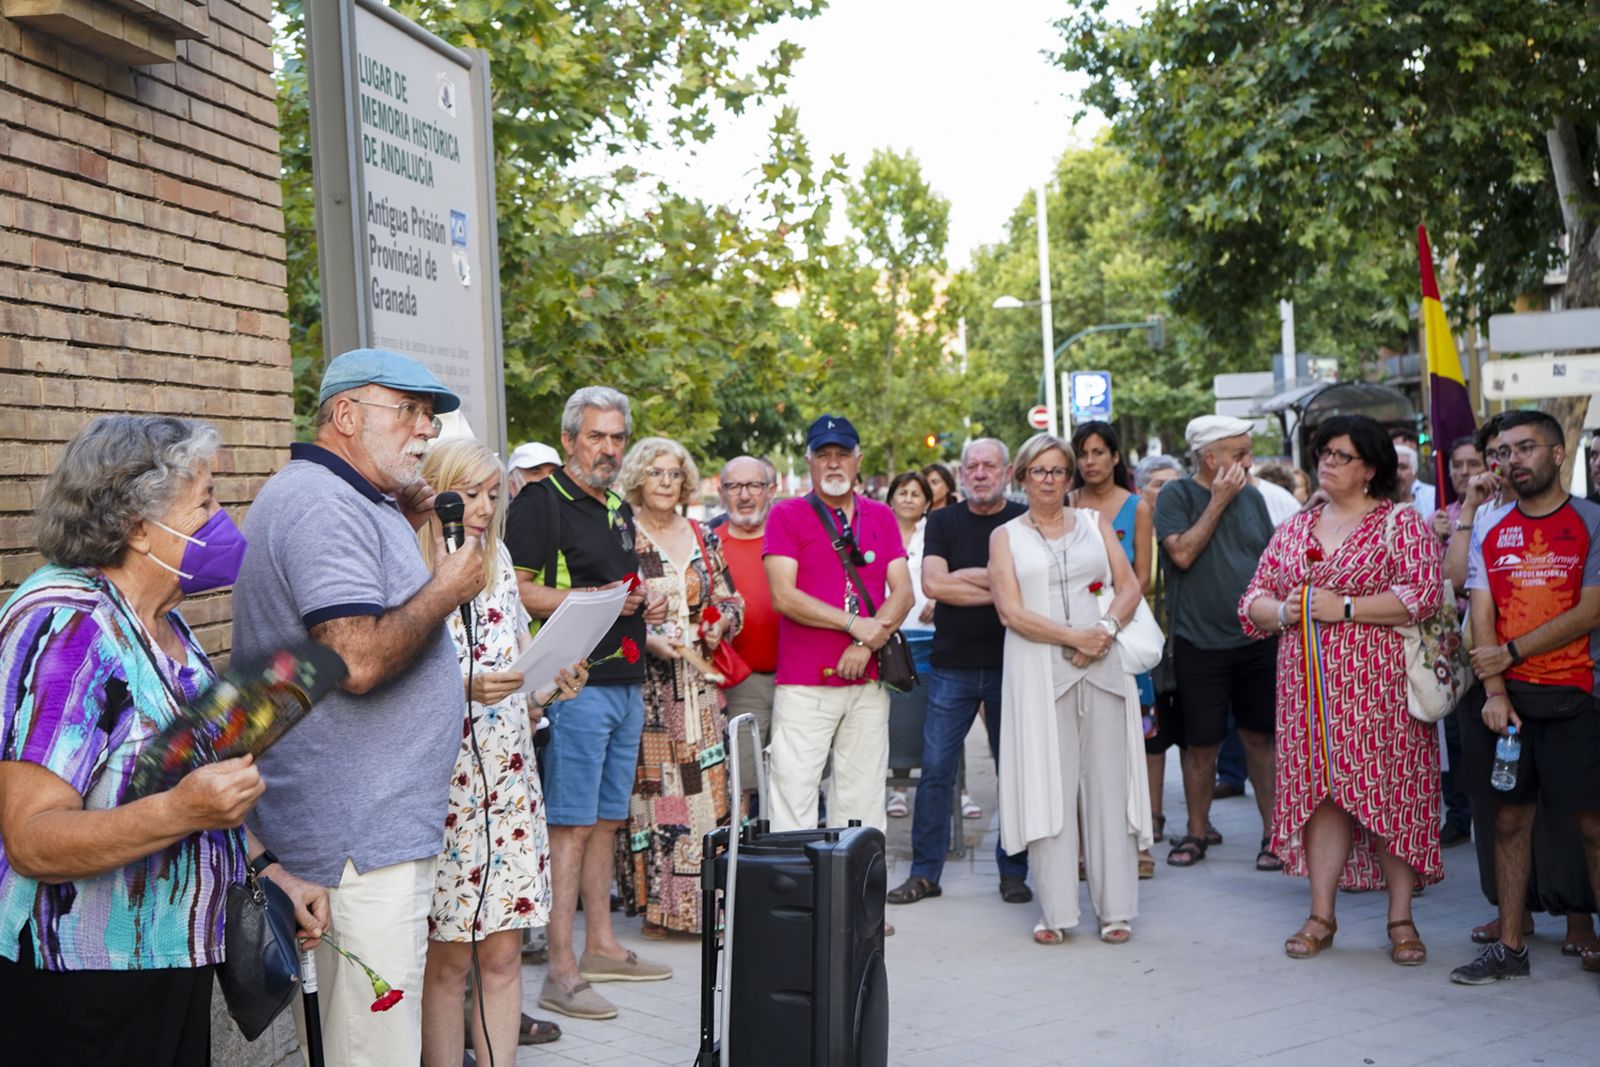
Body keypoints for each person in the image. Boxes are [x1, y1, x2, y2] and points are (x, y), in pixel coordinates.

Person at [0, 415, 326, 1065]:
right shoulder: (68, 628)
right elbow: (31, 837)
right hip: (84, 983)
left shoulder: (160, 618)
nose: (221, 517)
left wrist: (267, 868)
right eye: (204, 500)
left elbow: (183, 776)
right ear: (140, 524)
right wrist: (183, 810)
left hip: (167, 959)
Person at [233, 349, 486, 1066]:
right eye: (407, 410)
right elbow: (357, 658)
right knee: (371, 1047)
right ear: (345, 416)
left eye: (430, 416)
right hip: (354, 839)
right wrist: (445, 588)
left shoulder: (353, 499)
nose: (425, 430)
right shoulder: (321, 502)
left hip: (368, 831)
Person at [1240, 414, 1444, 964]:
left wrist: (1345, 607)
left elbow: (1421, 595)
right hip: (1306, 691)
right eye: (1324, 453)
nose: (1327, 463)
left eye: (1340, 455)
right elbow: (1251, 601)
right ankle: (1320, 916)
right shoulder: (1296, 528)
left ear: (1370, 468)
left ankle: (1401, 919)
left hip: (1380, 690)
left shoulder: (1399, 525)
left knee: (1391, 796)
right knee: (1321, 798)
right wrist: (1284, 609)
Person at [415, 440, 586, 1067]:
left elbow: (521, 671)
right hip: (446, 786)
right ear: (435, 491)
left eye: (493, 492)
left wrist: (552, 682)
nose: (484, 506)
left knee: (504, 951)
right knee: (450, 957)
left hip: (510, 780)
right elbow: (381, 676)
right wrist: (462, 688)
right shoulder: (409, 562)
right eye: (469, 492)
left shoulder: (502, 559)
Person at [503, 386, 672, 1021]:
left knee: (604, 822)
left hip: (626, 682)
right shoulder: (540, 503)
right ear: (570, 438)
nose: (607, 448)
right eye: (595, 436)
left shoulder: (616, 507)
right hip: (574, 686)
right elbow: (517, 591)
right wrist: (601, 597)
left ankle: (600, 947)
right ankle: (560, 972)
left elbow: (613, 589)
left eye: (616, 437)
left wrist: (641, 601)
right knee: (569, 827)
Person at [1452, 410, 1600, 985]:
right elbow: (1481, 609)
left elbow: (1591, 608)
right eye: (1505, 451)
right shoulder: (1492, 526)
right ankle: (1510, 948)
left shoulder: (1591, 521)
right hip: (1508, 705)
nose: (1512, 460)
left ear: (1558, 454)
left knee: (1591, 824)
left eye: (1526, 448)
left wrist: (1508, 655)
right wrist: (1493, 688)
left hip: (1577, 694)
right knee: (1510, 821)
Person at [991, 433, 1152, 944]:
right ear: (1022, 477)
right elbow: (1011, 611)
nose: (1050, 480)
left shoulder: (1094, 523)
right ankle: (1056, 912)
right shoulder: (1005, 536)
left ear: (1070, 477)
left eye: (1059, 471)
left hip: (1103, 667)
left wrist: (1101, 634)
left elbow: (1129, 587)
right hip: (1040, 672)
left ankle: (1117, 910)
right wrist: (1074, 637)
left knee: (1108, 785)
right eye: (1039, 471)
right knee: (1050, 787)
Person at [886, 439, 1031, 907]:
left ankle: (1014, 871)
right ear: (962, 474)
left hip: (1015, 659)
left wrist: (966, 579)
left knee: (1015, 770)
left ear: (1007, 471)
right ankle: (925, 872)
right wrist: (1001, 583)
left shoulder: (1023, 519)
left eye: (990, 465)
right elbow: (933, 584)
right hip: (952, 664)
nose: (981, 473)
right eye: (972, 466)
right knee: (936, 771)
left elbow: (1031, 583)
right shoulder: (943, 521)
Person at [616, 437, 742, 937]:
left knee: (709, 798)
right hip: (648, 689)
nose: (666, 482)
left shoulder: (702, 534)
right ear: (639, 480)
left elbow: (733, 598)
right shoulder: (623, 533)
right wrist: (646, 638)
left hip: (701, 686)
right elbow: (610, 604)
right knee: (658, 801)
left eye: (673, 474)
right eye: (656, 473)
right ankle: (662, 912)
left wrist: (720, 624)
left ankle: (708, 910)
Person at [764, 415, 912, 836]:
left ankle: (857, 898)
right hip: (804, 685)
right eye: (823, 455)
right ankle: (796, 900)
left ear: (858, 460)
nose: (833, 464)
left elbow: (903, 592)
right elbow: (784, 596)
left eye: (842, 455)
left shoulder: (881, 516)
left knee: (863, 800)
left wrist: (866, 643)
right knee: (793, 798)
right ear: (809, 462)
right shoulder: (786, 515)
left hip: (868, 682)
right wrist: (853, 624)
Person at [1154, 415, 1278, 869]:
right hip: (1198, 641)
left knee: (1261, 739)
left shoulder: (1255, 497)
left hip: (1257, 639)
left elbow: (1270, 559)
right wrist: (1219, 501)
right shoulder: (1176, 495)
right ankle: (1196, 831)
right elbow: (1182, 553)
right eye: (1241, 453)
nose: (1250, 461)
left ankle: (1274, 836)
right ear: (1211, 459)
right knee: (1201, 744)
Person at [1069, 422, 1157, 877]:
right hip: (1074, 632)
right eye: (1082, 453)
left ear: (1116, 457)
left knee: (1129, 743)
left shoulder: (1136, 507)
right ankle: (1083, 847)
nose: (1090, 462)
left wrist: (1112, 611)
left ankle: (1138, 841)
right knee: (1080, 742)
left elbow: (1143, 575)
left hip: (1120, 630)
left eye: (1099, 452)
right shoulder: (1067, 504)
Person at [715, 456, 780, 803]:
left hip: (795, 678)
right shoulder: (709, 545)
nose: (744, 495)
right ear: (721, 492)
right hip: (740, 682)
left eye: (753, 485)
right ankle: (744, 856)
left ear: (770, 490)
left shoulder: (789, 537)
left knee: (796, 781)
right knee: (741, 785)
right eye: (734, 486)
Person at [1133, 454, 1183, 843]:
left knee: (1177, 733)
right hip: (1140, 647)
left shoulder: (1183, 526)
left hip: (1181, 646)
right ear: (1140, 490)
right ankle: (1147, 815)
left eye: (1174, 484)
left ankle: (1172, 817)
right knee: (1150, 734)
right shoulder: (1136, 529)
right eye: (1159, 484)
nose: (1169, 492)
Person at [885, 470, 937, 820]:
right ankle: (898, 790)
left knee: (933, 719)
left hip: (929, 637)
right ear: (891, 499)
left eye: (915, 494)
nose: (908, 499)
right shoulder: (879, 533)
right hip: (891, 639)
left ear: (927, 503)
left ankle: (952, 790)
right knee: (896, 719)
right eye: (902, 492)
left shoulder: (934, 534)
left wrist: (942, 601)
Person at [1395, 443, 1437, 516]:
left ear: (1415, 475)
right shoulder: (1374, 506)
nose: (1396, 473)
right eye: (1391, 468)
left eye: (1402, 467)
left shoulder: (1432, 498)